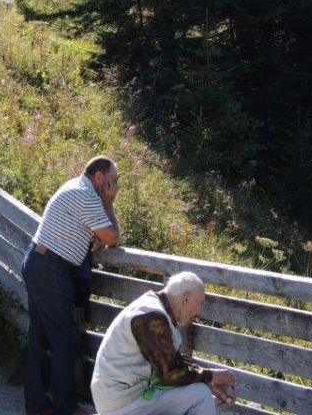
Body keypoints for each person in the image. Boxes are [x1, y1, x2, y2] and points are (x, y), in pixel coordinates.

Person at [22, 155, 122, 415]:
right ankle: (64, 409)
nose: (115, 187)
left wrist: (92, 234)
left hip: (41, 262)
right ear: (98, 177)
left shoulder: (76, 188)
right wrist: (109, 204)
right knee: (64, 339)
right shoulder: (87, 196)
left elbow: (92, 232)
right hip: (52, 269)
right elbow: (112, 237)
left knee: (40, 336)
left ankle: (37, 406)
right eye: (112, 181)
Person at [90, 273, 237, 415]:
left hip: (119, 396)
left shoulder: (153, 308)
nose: (198, 311)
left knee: (199, 390)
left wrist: (208, 379)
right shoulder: (150, 317)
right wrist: (210, 376)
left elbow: (174, 362)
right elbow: (171, 374)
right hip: (121, 400)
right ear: (185, 299)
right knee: (201, 396)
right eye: (199, 304)